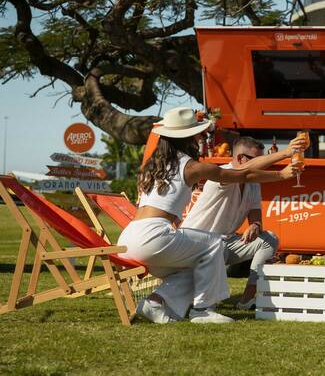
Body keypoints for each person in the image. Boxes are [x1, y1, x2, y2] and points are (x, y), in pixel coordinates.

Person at [117, 107, 301, 324]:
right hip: (154, 238)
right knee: (215, 244)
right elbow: (241, 173)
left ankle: (155, 302)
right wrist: (281, 172)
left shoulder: (155, 165)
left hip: (129, 239)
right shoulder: (191, 167)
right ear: (188, 137)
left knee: (194, 264)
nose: (200, 136)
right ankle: (203, 310)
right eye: (197, 133)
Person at [181, 135, 305, 309]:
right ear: (240, 159)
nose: (264, 164)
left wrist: (255, 225)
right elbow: (244, 173)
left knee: (269, 239)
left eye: (265, 158)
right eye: (259, 159)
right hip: (195, 244)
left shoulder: (253, 183)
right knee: (217, 247)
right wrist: (285, 155)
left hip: (223, 243)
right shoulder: (221, 174)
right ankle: (204, 306)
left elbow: (255, 212)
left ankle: (246, 300)